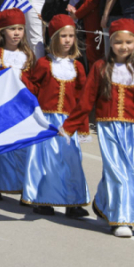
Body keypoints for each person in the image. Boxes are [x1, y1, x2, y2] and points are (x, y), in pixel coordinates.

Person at [61, 19, 134, 238]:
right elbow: (86, 100)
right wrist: (70, 126)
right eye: (118, 42)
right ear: (111, 42)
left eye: (129, 42)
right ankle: (123, 219)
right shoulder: (101, 68)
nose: (124, 46)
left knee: (129, 172)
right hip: (108, 127)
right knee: (117, 172)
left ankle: (102, 204)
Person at [22, 15, 90, 216]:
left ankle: (73, 203)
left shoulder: (78, 67)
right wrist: (19, 75)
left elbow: (82, 99)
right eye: (63, 36)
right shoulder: (44, 64)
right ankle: (44, 200)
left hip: (69, 122)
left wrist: (83, 127)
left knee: (71, 161)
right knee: (47, 162)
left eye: (71, 36)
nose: (68, 40)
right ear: (53, 38)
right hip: (47, 121)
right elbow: (34, 88)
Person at [0, 8, 35, 201]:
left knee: (21, 148)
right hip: (1, 108)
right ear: (3, 32)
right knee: (1, 148)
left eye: (20, 28)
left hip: (21, 108)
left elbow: (33, 83)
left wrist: (20, 78)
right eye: (12, 29)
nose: (16, 33)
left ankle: (22, 185)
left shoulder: (28, 55)